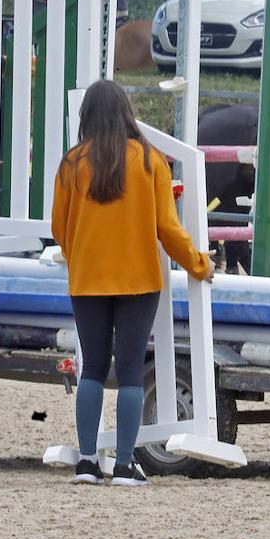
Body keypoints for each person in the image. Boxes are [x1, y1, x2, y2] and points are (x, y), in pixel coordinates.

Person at [51, 80, 214, 487]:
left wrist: (81, 252)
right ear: (127, 112)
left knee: (91, 367)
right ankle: (125, 464)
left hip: (88, 278)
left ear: (87, 115)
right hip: (139, 278)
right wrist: (198, 264)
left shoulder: (72, 163)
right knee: (127, 371)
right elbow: (167, 228)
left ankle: (87, 462)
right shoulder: (149, 160)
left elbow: (59, 226)